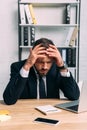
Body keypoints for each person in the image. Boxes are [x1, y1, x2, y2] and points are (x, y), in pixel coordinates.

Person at [3, 38, 80, 105]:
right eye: (40, 62)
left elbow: (74, 96)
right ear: (33, 57)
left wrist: (62, 66)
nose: (45, 67)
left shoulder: (57, 67)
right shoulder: (18, 67)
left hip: (52, 112)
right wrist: (27, 66)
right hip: (26, 112)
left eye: (49, 62)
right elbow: (9, 100)